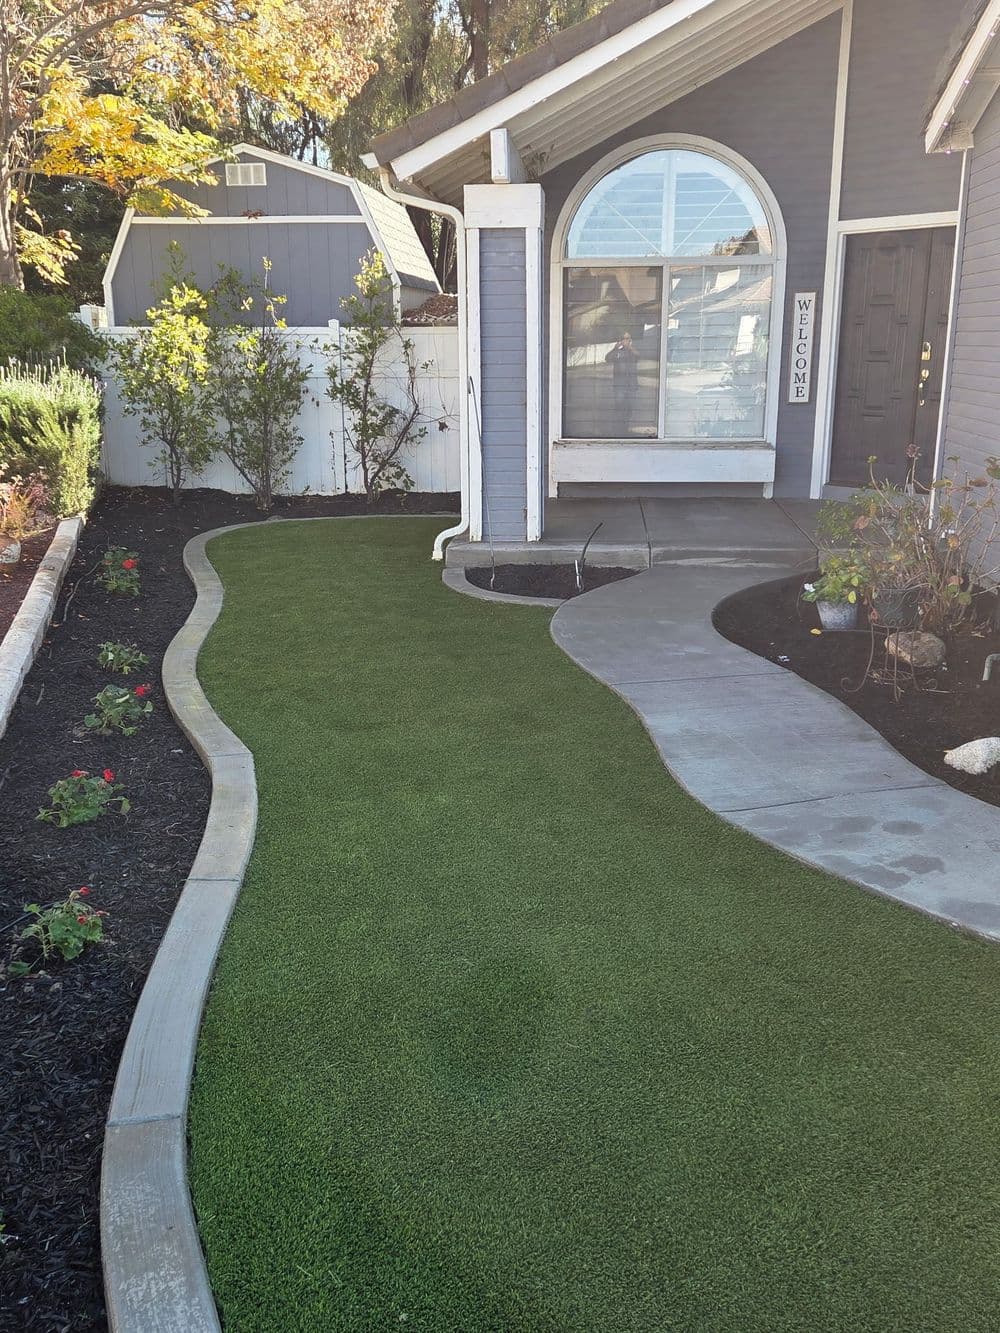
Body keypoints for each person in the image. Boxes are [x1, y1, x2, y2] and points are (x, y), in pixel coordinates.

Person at [605, 331, 640, 436]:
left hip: (631, 385)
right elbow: (607, 358)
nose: (626, 340)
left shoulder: (633, 351)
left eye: (627, 338)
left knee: (629, 407)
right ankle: (619, 429)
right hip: (619, 385)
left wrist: (630, 348)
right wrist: (614, 348)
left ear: (630, 340)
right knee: (619, 406)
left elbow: (638, 356)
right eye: (624, 338)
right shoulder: (617, 352)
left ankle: (626, 427)